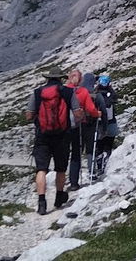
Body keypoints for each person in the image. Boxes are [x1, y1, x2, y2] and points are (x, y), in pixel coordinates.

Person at [26, 69, 75, 215]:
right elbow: (78, 112)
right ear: (61, 78)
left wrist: (37, 117)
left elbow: (28, 115)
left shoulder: (37, 92)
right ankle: (59, 197)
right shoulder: (68, 92)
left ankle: (41, 202)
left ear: (47, 78)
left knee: (41, 169)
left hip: (42, 136)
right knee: (60, 168)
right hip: (62, 136)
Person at [65, 69, 102, 189]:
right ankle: (90, 174)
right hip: (80, 124)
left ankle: (72, 181)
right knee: (85, 150)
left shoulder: (64, 90)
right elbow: (91, 109)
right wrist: (98, 114)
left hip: (65, 126)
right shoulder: (83, 92)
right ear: (80, 80)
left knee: (74, 154)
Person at [91, 73, 120, 179]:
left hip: (99, 123)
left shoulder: (96, 94)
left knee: (99, 146)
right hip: (111, 122)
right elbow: (115, 98)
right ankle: (107, 163)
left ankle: (98, 166)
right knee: (108, 145)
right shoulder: (110, 93)